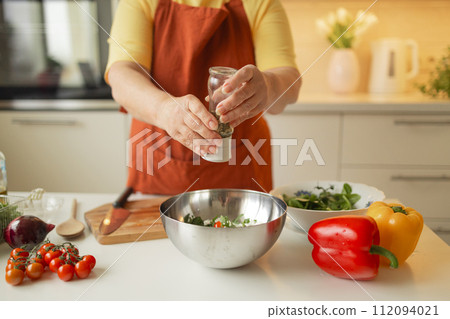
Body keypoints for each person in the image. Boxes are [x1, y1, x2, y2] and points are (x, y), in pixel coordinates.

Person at [105, 0, 301, 195]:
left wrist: (268, 85)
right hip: (159, 164)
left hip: (242, 166)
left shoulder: (261, 3)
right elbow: (122, 75)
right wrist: (164, 109)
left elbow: (290, 80)